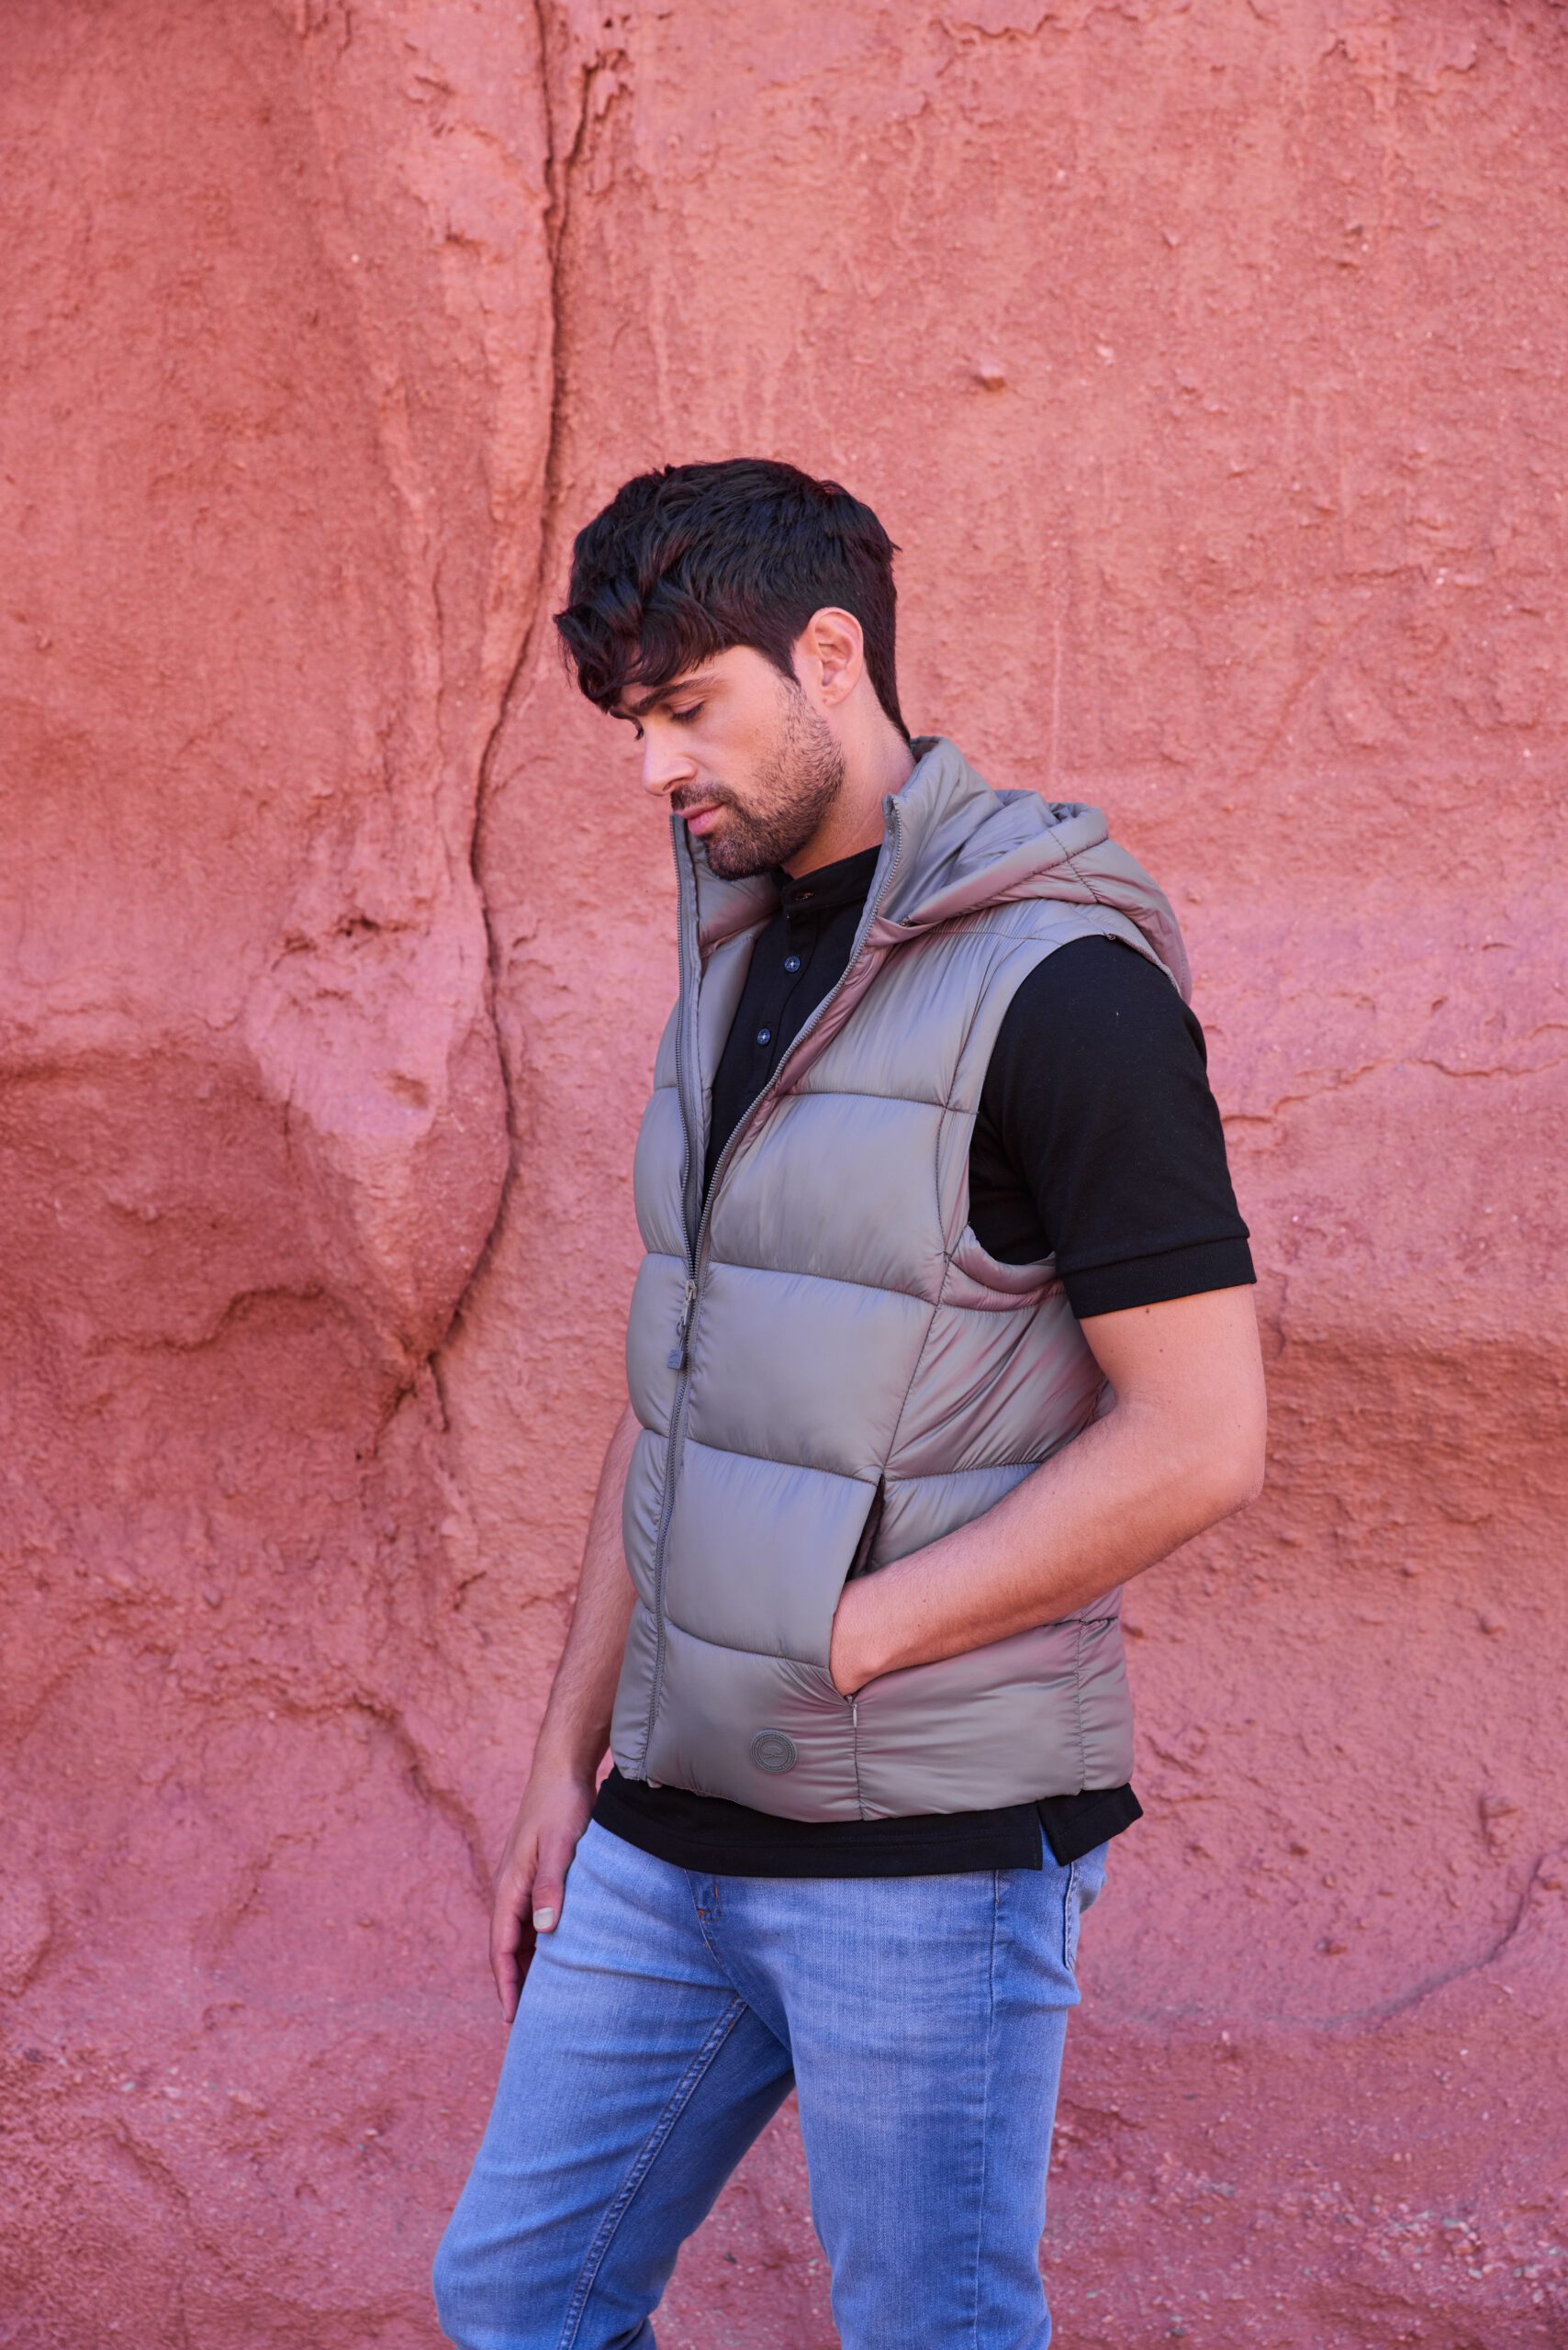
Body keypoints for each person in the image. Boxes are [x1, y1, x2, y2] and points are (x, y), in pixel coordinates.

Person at [431, 458, 1267, 2349]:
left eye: (683, 709)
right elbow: (679, 1389)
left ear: (829, 654)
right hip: (668, 1826)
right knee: (519, 2295)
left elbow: (1201, 1437)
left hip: (923, 1857)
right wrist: (569, 1751)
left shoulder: (1064, 980)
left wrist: (849, 1634)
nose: (653, 767)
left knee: (927, 2330)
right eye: (628, 724)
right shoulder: (731, 949)